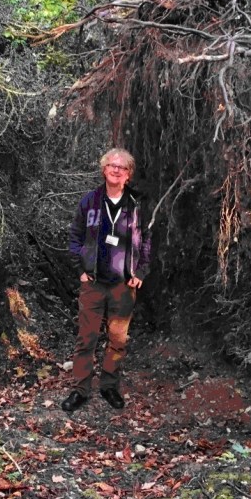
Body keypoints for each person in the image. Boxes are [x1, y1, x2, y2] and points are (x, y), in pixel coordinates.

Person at [62, 147, 151, 412]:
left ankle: (109, 386)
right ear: (103, 170)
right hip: (93, 282)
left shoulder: (136, 207)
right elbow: (75, 236)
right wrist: (79, 268)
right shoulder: (89, 201)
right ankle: (80, 389)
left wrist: (141, 272)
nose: (115, 169)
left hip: (123, 285)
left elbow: (146, 240)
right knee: (86, 338)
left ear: (129, 174)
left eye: (122, 167)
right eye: (111, 165)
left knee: (117, 340)